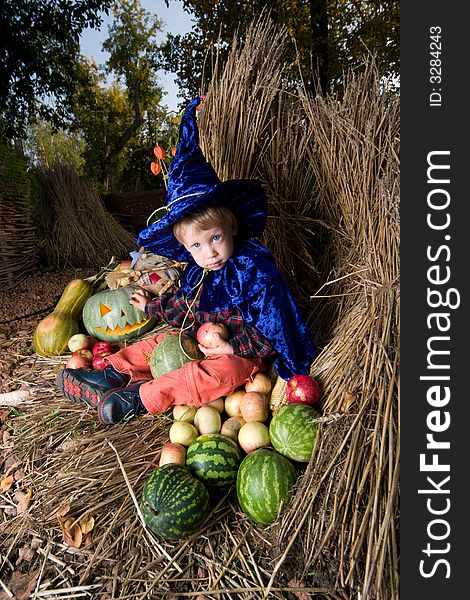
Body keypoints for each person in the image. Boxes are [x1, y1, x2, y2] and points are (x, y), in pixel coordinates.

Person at [56, 97, 316, 425]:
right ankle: (110, 373)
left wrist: (232, 349)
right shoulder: (197, 272)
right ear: (185, 246)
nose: (209, 252)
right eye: (197, 245)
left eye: (216, 238)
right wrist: (152, 306)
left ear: (232, 227)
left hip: (246, 356)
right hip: (198, 339)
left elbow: (276, 325)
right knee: (161, 342)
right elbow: (184, 306)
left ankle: (140, 398)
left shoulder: (254, 268)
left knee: (212, 373)